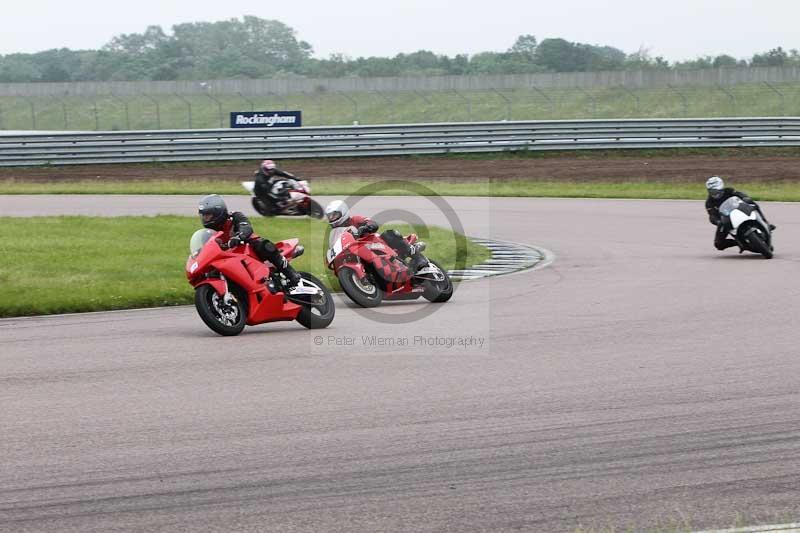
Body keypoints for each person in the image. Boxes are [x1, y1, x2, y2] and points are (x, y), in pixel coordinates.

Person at [198, 194, 301, 287]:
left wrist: (238, 237)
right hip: (230, 260)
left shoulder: (235, 217)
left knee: (264, 245)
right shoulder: (208, 232)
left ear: (218, 212)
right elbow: (206, 248)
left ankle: (291, 273)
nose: (205, 218)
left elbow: (246, 228)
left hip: (248, 251)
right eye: (203, 215)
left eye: (208, 215)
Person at [324, 200, 427, 271]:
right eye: (330, 216)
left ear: (343, 212)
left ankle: (417, 257)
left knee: (389, 234)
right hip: (359, 252)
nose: (332, 218)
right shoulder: (334, 233)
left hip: (375, 244)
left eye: (335, 215)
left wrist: (365, 227)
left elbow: (372, 222)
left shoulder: (354, 219)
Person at [705, 176, 775, 251]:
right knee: (718, 244)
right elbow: (712, 215)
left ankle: (765, 222)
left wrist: (745, 198)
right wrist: (717, 221)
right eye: (711, 191)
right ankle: (738, 242)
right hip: (725, 220)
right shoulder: (709, 203)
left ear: (721, 188)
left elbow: (739, 194)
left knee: (752, 204)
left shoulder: (729, 191)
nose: (714, 194)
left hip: (738, 210)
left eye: (715, 191)